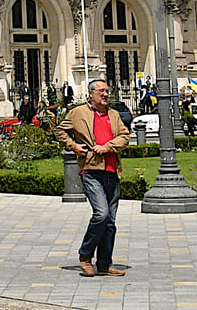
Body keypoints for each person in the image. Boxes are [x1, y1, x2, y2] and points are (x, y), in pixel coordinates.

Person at [58, 78, 129, 278]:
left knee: (110, 222)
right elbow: (60, 131)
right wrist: (74, 146)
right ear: (91, 94)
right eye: (101, 91)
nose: (105, 94)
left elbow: (125, 136)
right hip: (91, 170)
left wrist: (107, 147)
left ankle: (105, 264)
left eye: (107, 91)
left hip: (112, 171)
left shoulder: (114, 115)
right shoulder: (78, 113)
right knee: (101, 214)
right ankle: (85, 255)